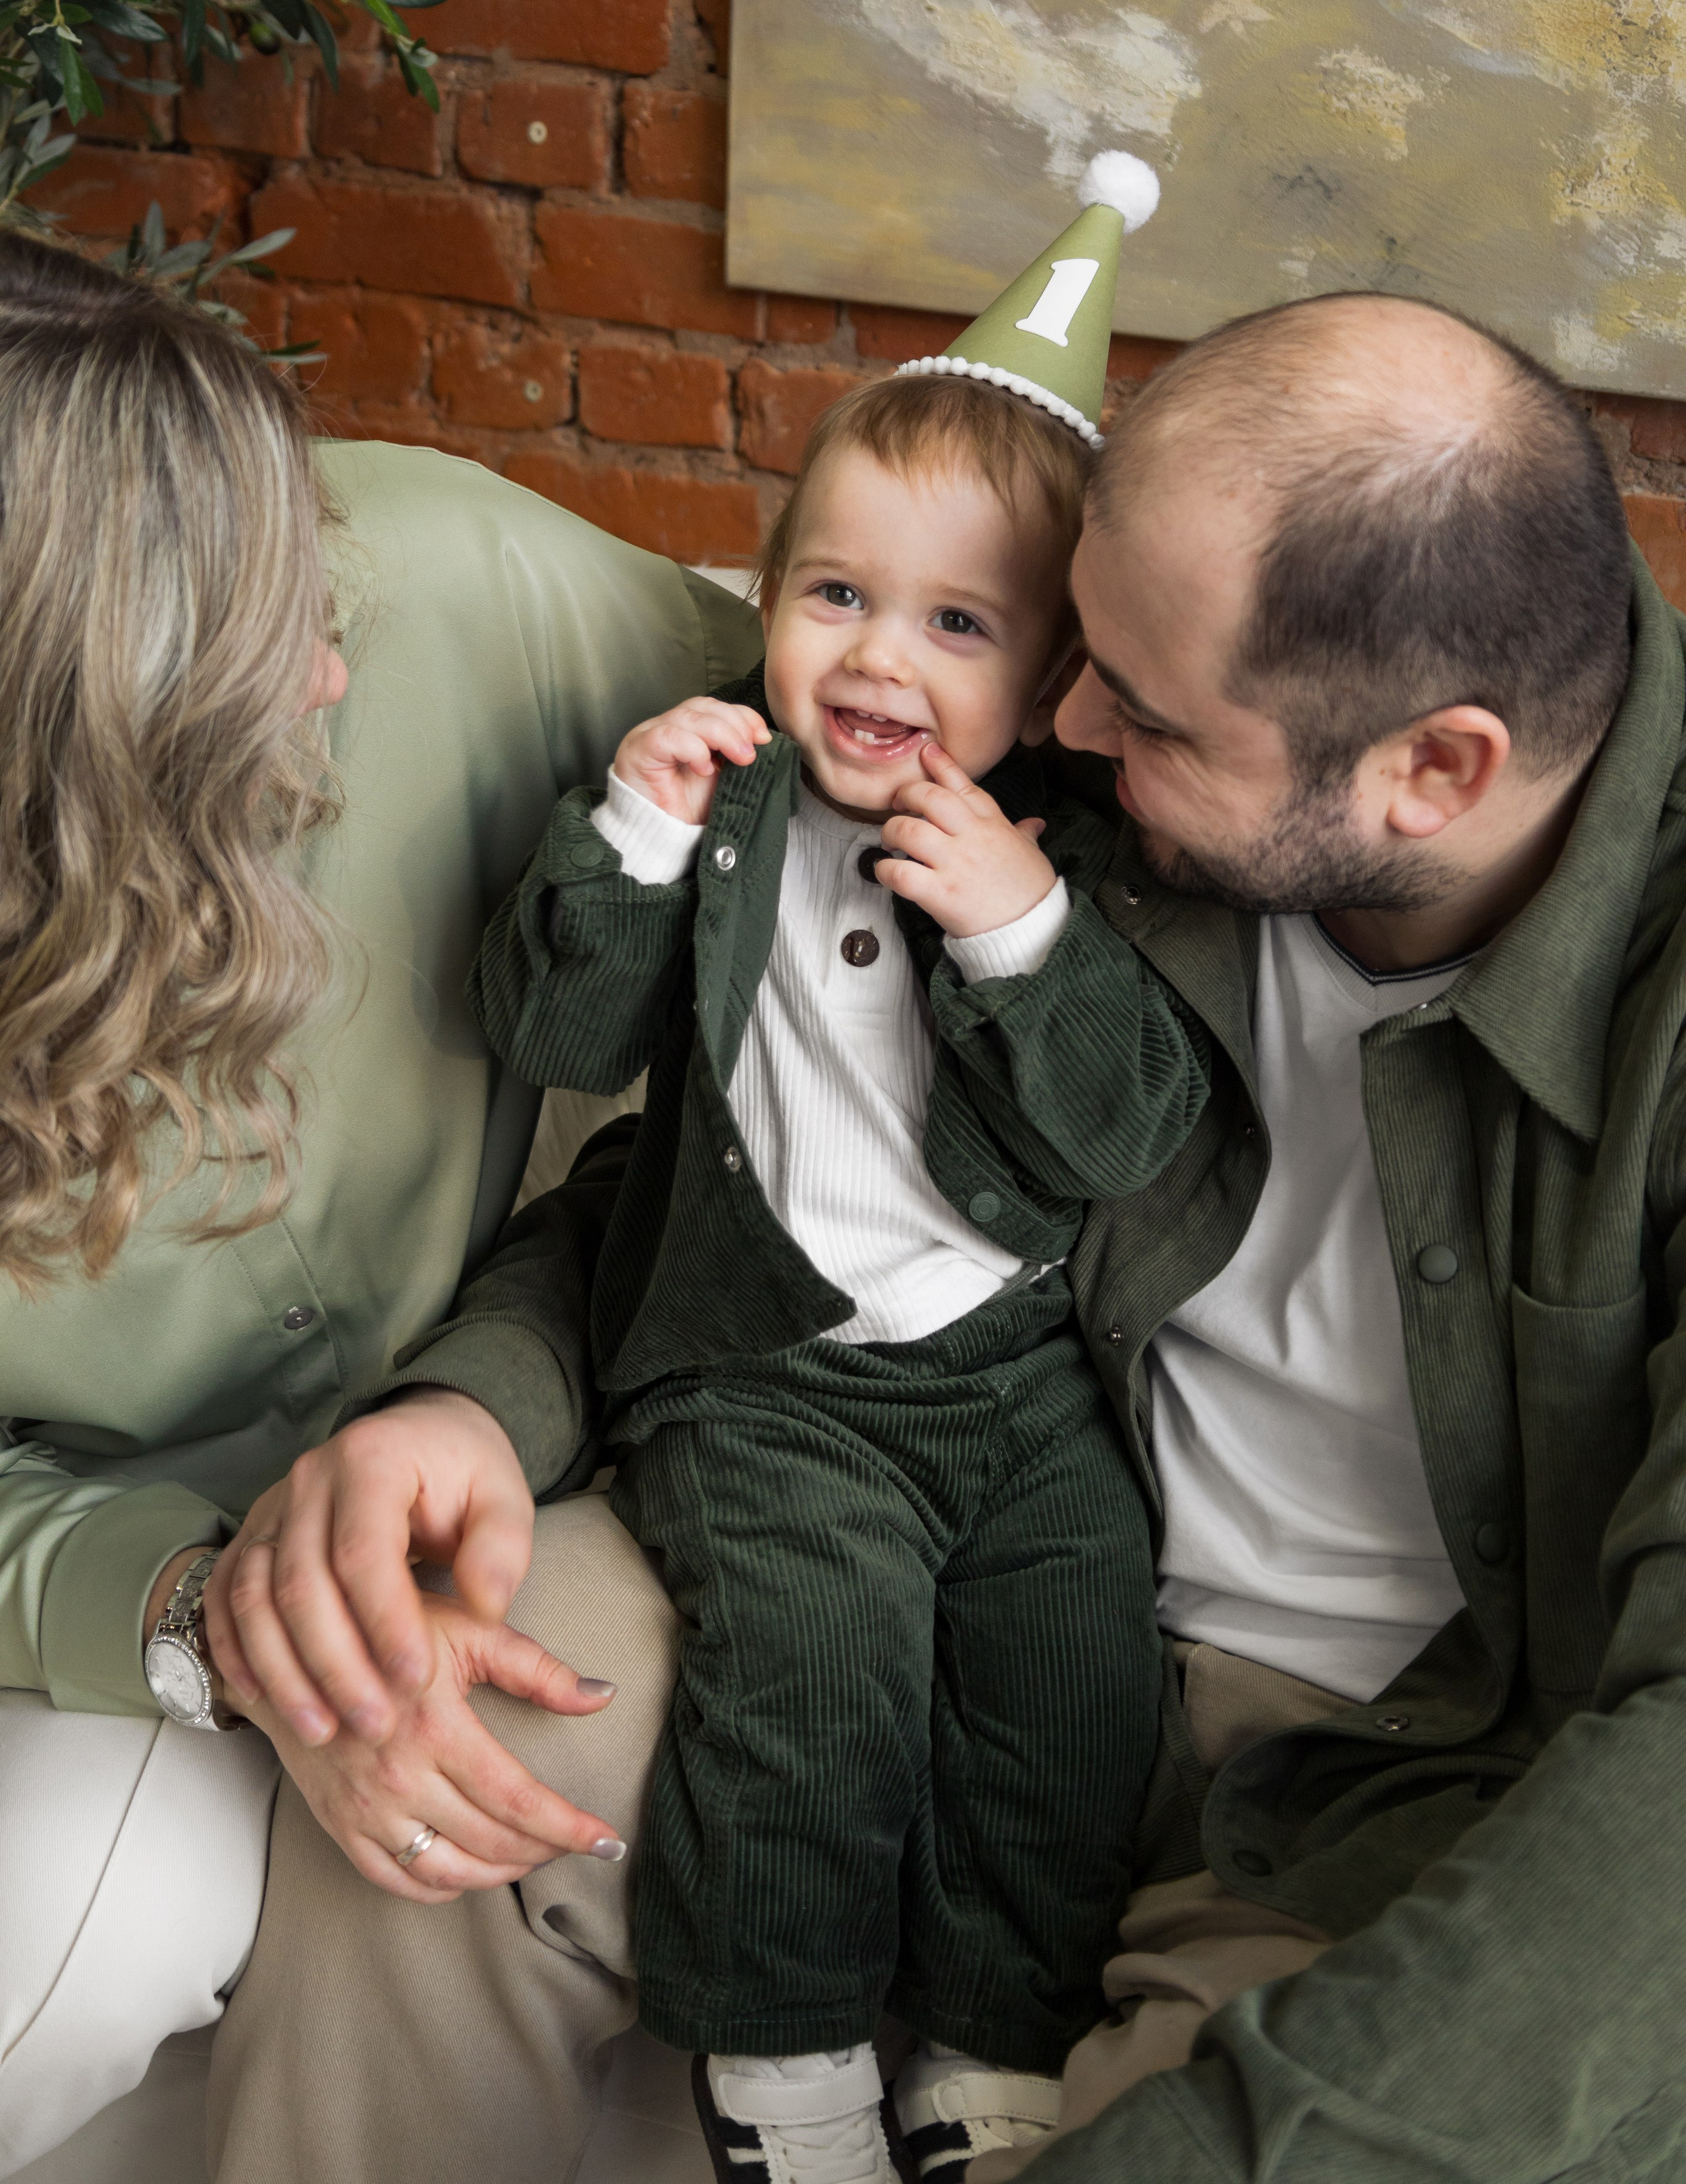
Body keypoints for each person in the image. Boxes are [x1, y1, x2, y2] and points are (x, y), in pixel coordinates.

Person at [215, 280, 1686, 2184]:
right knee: (434, 1743)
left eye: (1134, 711)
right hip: (881, 1501)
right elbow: (753, 1181)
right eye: (1071, 651)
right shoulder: (1086, 799)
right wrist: (471, 1409)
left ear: (1436, 769)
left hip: (1392, 1784)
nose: (1056, 723)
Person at [0, 228, 759, 2180]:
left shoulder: (454, 584)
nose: (336, 659)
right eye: (255, 636)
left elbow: (854, 704)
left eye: (305, 572)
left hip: (531, 1437)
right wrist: (214, 1621)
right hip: (100, 1576)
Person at [468, 362, 1211, 2184]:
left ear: (1049, 681)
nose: (881, 658)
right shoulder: (719, 803)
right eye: (836, 595)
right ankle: (785, 2057)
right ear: (768, 591)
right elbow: (556, 1032)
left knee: (1075, 1664)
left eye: (957, 622)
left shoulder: (1072, 861)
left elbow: (1131, 1137)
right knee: (813, 1674)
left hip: (1016, 1364)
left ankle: (994, 2044)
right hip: (768, 1364)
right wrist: (631, 830)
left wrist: (1025, 926)